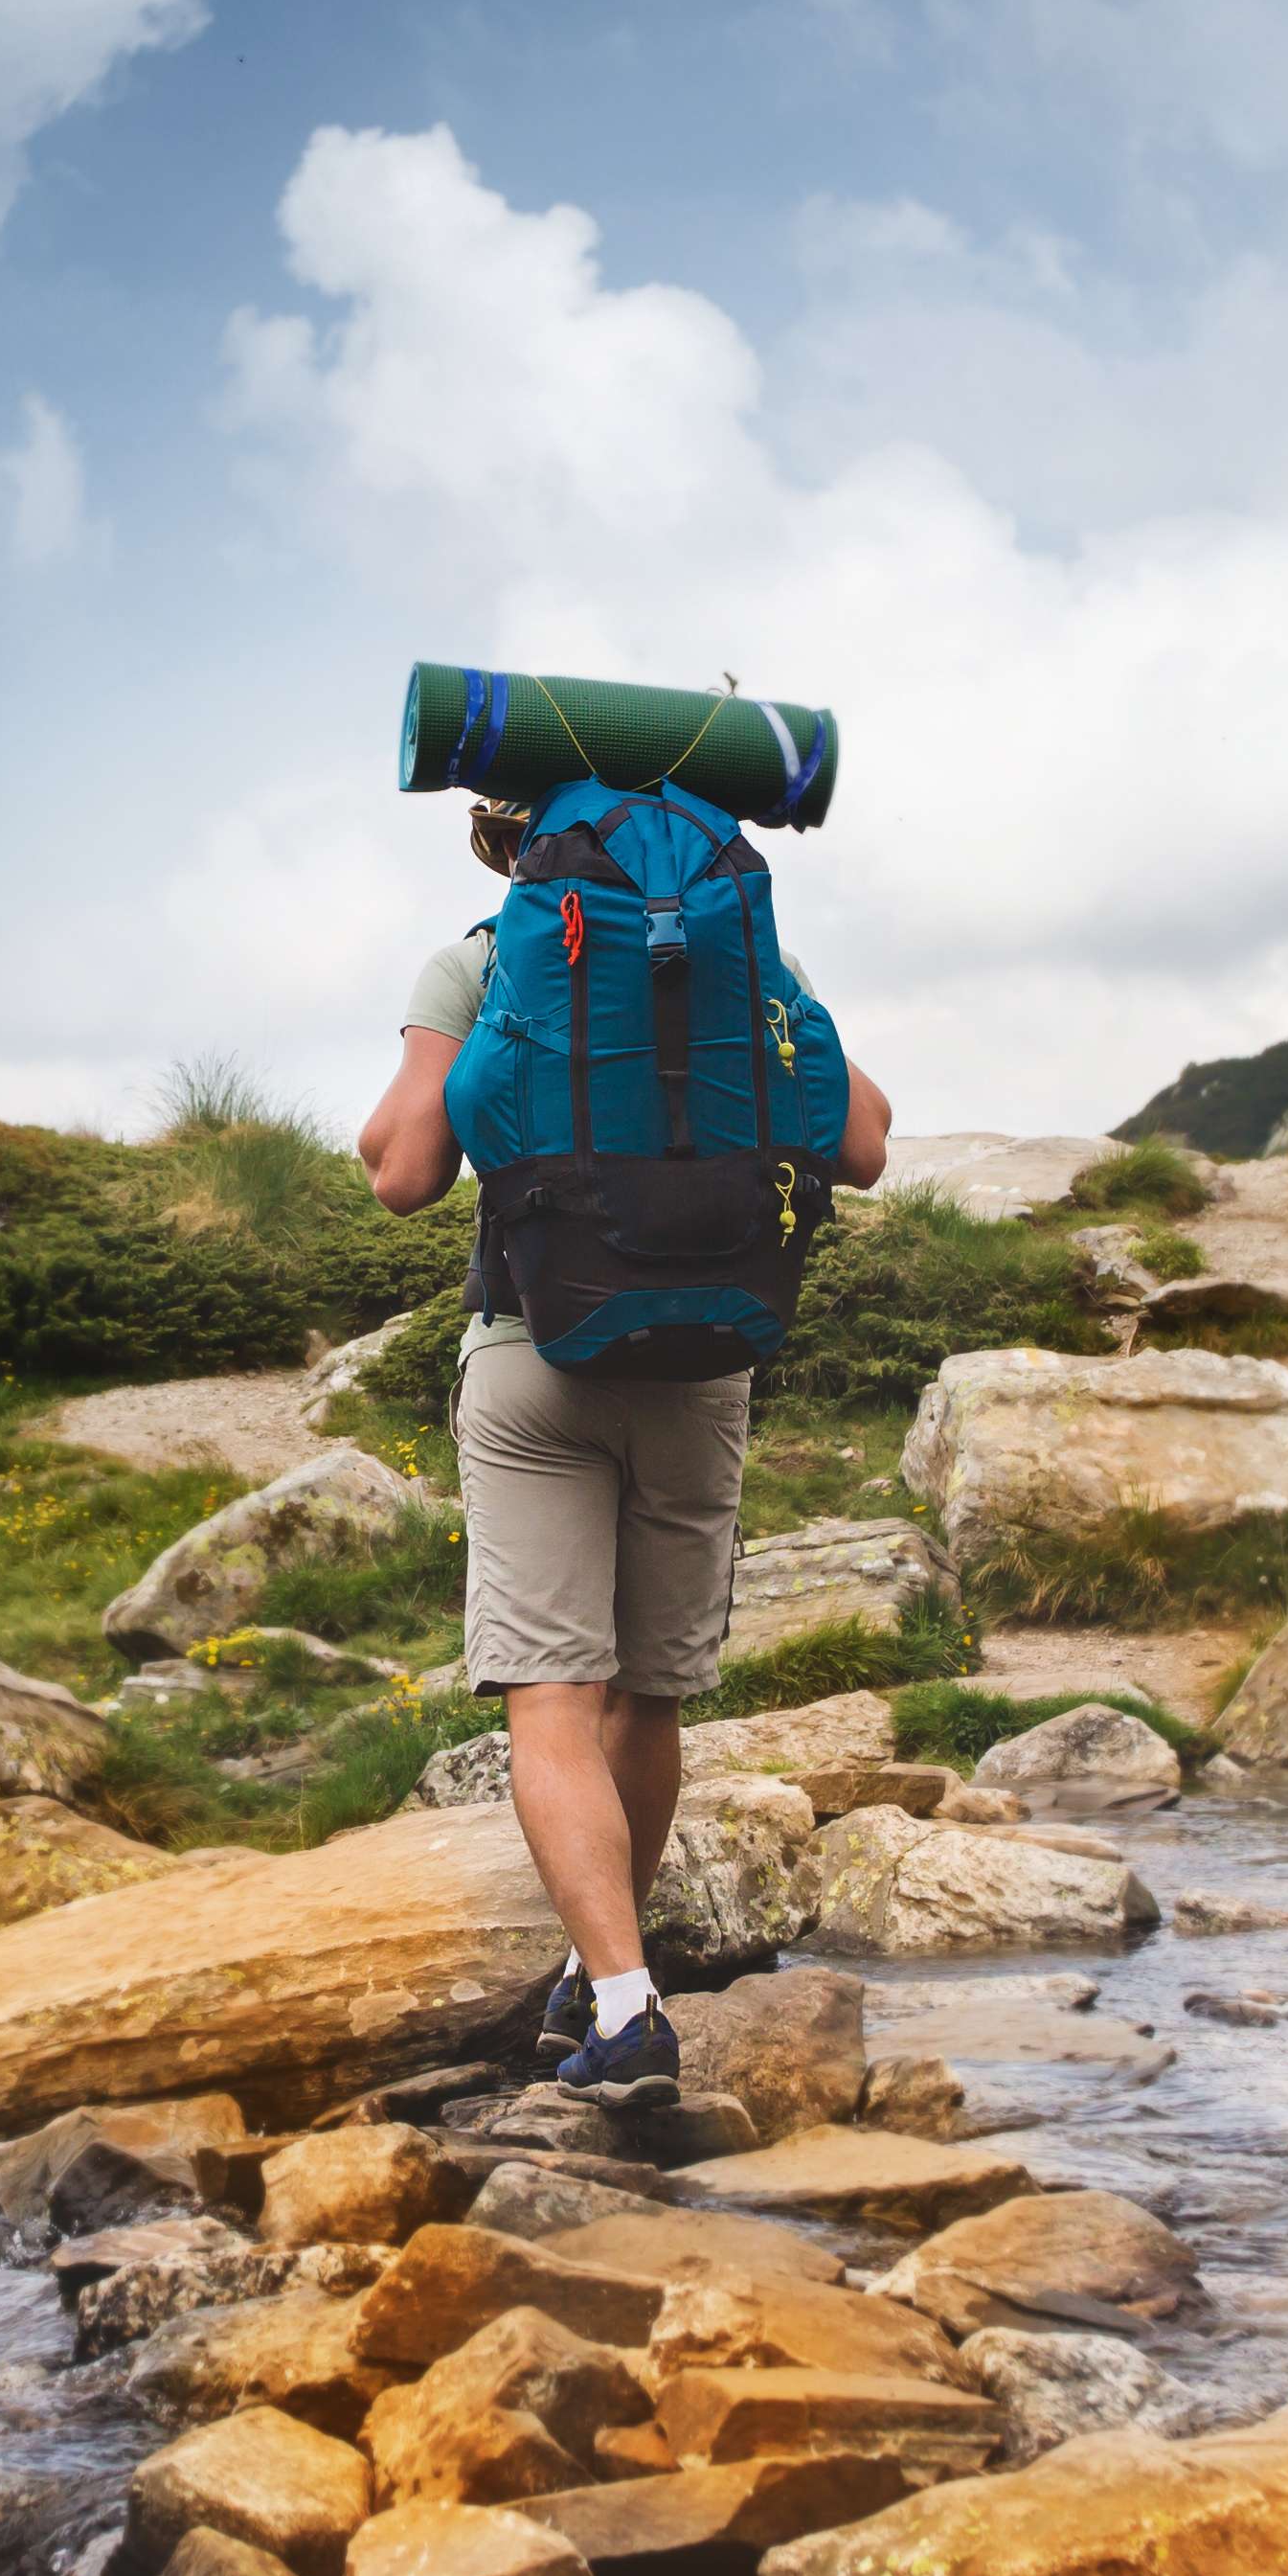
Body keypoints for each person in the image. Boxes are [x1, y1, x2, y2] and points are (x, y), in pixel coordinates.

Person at [358, 796, 893, 2096]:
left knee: (550, 1696)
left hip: (535, 1350)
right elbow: (865, 1143)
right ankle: (611, 1976)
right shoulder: (745, 948)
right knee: (646, 1696)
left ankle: (619, 1999)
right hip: (707, 1355)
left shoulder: (482, 957)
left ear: (511, 839)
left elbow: (403, 1173)